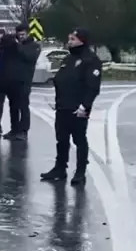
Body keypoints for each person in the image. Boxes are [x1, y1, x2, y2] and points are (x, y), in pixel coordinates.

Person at [41, 27, 102, 187]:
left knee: (79, 139)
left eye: (73, 39)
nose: (69, 42)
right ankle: (60, 168)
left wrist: (85, 106)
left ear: (82, 41)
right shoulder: (68, 59)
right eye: (69, 39)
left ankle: (80, 172)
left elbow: (93, 86)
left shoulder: (91, 60)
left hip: (78, 108)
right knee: (61, 139)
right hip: (62, 106)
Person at [0, 23, 41, 141]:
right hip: (12, 82)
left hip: (24, 81)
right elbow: (4, 55)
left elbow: (28, 56)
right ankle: (14, 129)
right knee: (13, 106)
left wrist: (16, 45)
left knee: (23, 106)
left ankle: (23, 131)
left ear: (28, 33)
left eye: (23, 34)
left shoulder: (34, 46)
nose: (21, 37)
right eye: (19, 35)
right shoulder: (16, 45)